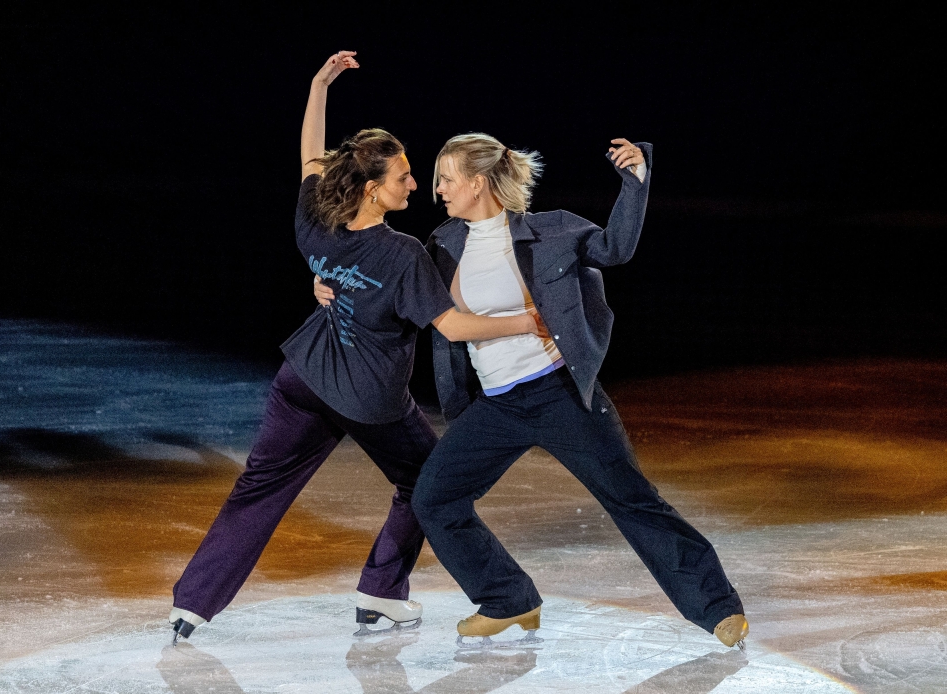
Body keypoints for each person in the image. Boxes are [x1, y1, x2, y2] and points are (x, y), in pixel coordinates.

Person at [320, 132, 749, 650]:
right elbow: (398, 293)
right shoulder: (442, 244)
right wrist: (330, 284)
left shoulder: (553, 230)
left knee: (632, 500)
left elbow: (616, 248)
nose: (437, 191)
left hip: (562, 395)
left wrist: (635, 181)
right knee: (435, 498)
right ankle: (508, 599)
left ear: (478, 182)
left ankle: (717, 607)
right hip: (498, 406)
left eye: (446, 179)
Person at [169, 52, 544, 643]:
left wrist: (318, 85)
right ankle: (381, 590)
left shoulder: (316, 216)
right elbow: (451, 327)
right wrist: (528, 323)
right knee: (429, 483)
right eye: (404, 177)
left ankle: (191, 604)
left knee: (258, 487)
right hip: (370, 398)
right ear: (373, 191)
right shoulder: (401, 254)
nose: (416, 184)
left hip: (302, 380)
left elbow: (309, 155)